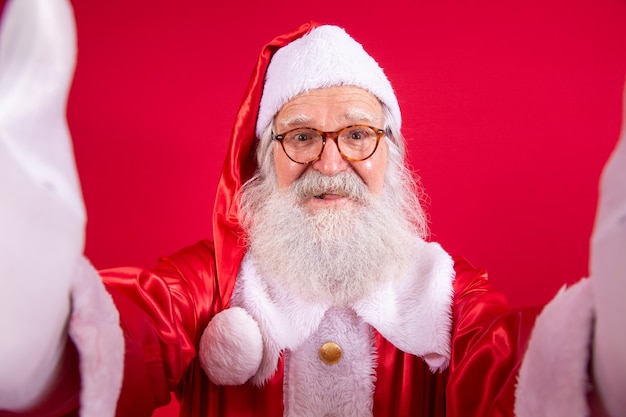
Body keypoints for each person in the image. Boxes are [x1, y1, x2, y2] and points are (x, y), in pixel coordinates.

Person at [0, 1, 624, 416]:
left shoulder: (449, 298)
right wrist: (42, 339)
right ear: (263, 157)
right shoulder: (211, 285)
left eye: (357, 134)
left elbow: (513, 377)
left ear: (393, 155)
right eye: (300, 136)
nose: (330, 164)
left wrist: (601, 362)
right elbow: (138, 326)